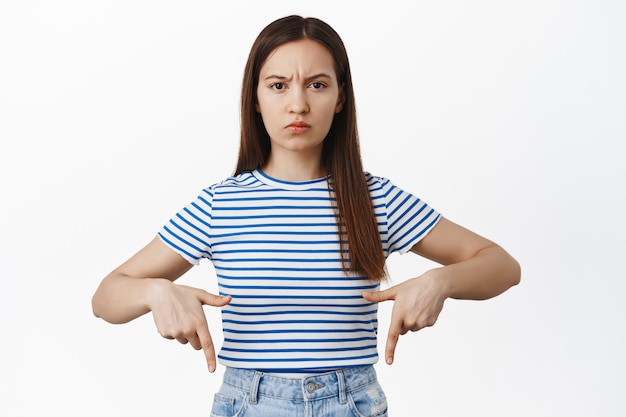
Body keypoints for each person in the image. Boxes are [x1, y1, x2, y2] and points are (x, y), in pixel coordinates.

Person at [92, 15, 520, 417]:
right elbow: (106, 297)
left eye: (317, 85)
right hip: (249, 402)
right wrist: (155, 292)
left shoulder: (375, 200)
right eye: (278, 86)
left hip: (350, 402)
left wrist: (440, 281)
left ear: (340, 98)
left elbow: (502, 265)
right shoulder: (219, 205)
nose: (298, 104)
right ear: (255, 99)